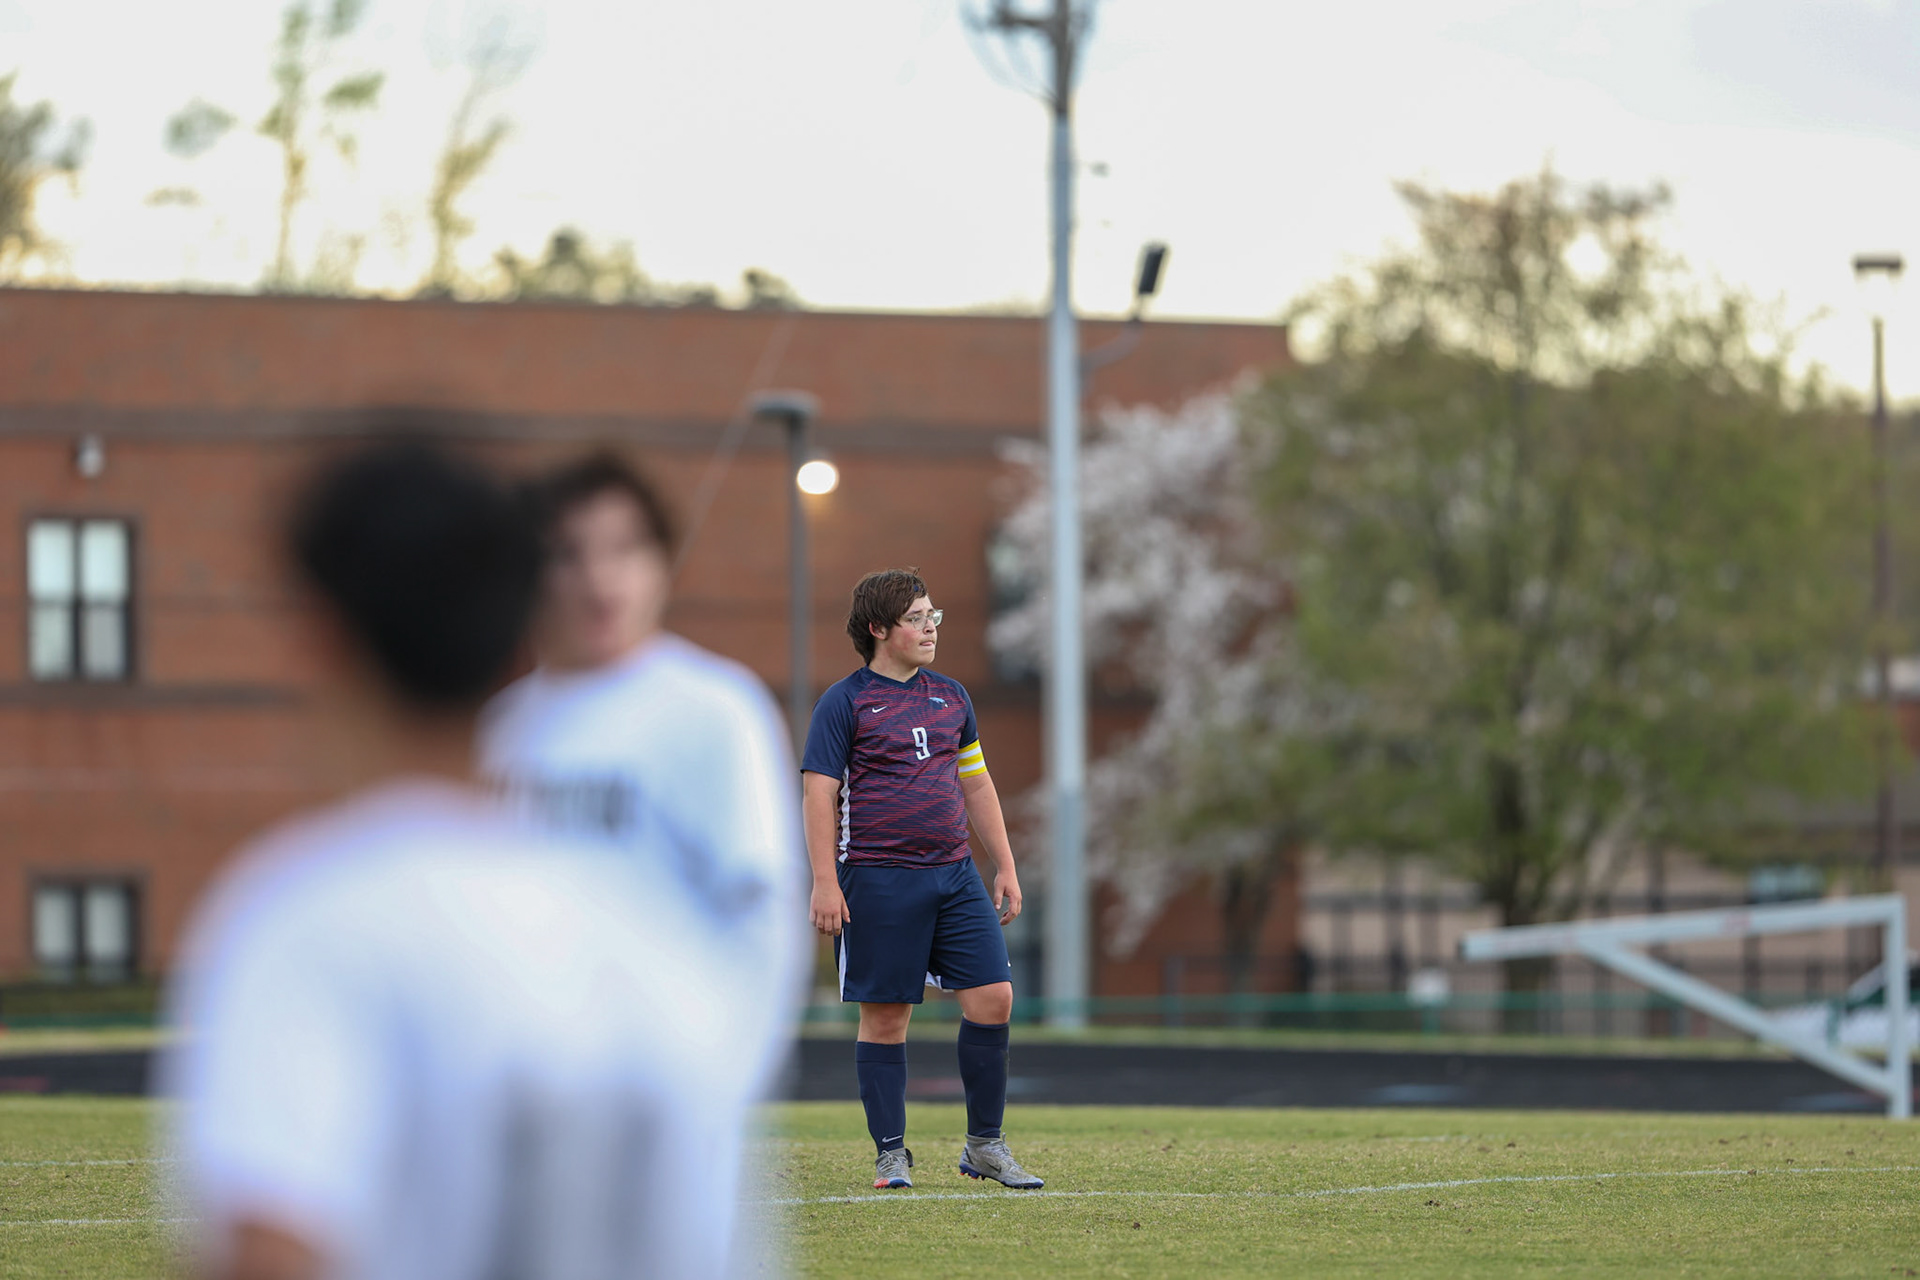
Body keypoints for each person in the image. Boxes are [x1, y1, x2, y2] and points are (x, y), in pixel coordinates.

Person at [165, 437, 747, 1280]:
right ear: (521, 645)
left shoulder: (306, 921)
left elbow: (269, 1246)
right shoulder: (656, 947)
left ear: (323, 643)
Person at [477, 452, 807, 1216]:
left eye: (625, 549)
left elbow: (761, 919)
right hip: (519, 1125)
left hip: (664, 1129)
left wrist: (714, 1087)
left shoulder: (712, 710)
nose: (600, 579)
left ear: (661, 563)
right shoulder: (500, 731)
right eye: (569, 554)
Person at [802, 567, 1044, 1191]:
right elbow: (818, 795)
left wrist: (1006, 865)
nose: (930, 626)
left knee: (994, 998)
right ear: (880, 629)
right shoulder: (844, 702)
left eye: (934, 615)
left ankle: (985, 1147)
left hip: (954, 875)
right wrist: (825, 882)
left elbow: (978, 782)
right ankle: (890, 1155)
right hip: (877, 880)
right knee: (887, 1019)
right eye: (916, 617)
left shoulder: (952, 698)